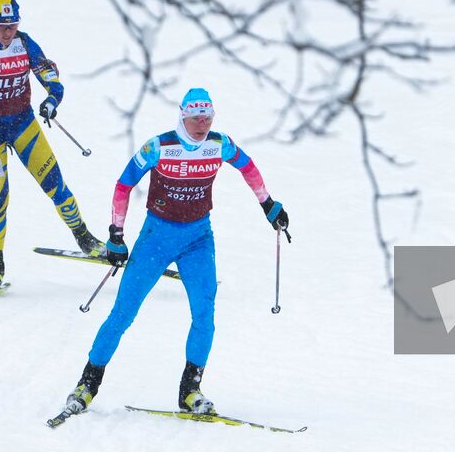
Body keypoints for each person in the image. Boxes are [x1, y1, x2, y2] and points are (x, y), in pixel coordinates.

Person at [61, 87, 290, 418]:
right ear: (183, 116)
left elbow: (247, 167)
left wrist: (268, 204)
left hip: (198, 238)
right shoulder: (160, 146)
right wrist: (116, 234)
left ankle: (190, 391)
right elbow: (124, 185)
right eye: (196, 118)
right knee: (123, 314)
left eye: (208, 118)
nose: (202, 124)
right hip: (156, 238)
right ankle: (87, 384)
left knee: (204, 314)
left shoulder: (219, 144)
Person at [0, 0, 105, 290]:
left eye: (13, 25)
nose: (8, 31)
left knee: (55, 183)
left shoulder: (25, 43)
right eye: (2, 25)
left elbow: (50, 76)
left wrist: (52, 99)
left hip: (22, 124)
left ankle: (84, 238)